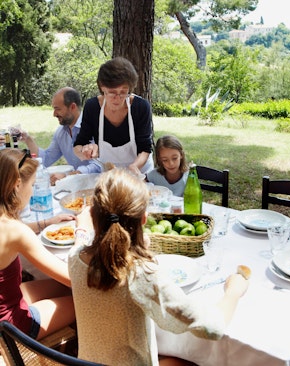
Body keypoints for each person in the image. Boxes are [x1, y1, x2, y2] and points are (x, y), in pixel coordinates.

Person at [70, 168, 249, 365]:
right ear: (144, 220)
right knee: (195, 361)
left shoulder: (74, 258)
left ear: (93, 215)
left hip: (85, 362)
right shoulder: (141, 275)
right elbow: (212, 328)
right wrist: (233, 291)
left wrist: (81, 229)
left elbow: (81, 243)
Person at [0, 148, 75, 340]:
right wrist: (82, 230)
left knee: (59, 287)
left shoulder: (8, 225)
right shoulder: (15, 232)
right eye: (32, 184)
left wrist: (47, 223)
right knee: (81, 300)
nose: (33, 191)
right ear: (17, 185)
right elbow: (73, 279)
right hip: (10, 326)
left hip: (7, 299)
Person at [73, 57, 154, 175]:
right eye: (112, 92)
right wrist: (85, 151)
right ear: (102, 88)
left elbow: (145, 148)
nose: (118, 98)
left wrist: (134, 167)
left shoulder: (140, 107)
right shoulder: (93, 107)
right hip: (109, 175)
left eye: (123, 92)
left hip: (139, 172)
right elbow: (78, 145)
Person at [11, 87, 102, 186]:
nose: (54, 114)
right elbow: (46, 159)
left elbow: (99, 165)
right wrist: (28, 139)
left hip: (98, 185)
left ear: (72, 107)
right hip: (78, 186)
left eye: (57, 109)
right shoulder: (61, 132)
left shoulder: (94, 127)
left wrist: (69, 175)